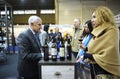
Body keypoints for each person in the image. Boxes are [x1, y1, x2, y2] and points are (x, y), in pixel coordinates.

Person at [78, 6, 120, 79]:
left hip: (106, 73)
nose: (92, 20)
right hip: (96, 71)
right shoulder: (98, 32)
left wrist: (86, 55)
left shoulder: (111, 31)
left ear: (103, 17)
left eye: (94, 17)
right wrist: (86, 48)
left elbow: (107, 55)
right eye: (91, 17)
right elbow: (99, 50)